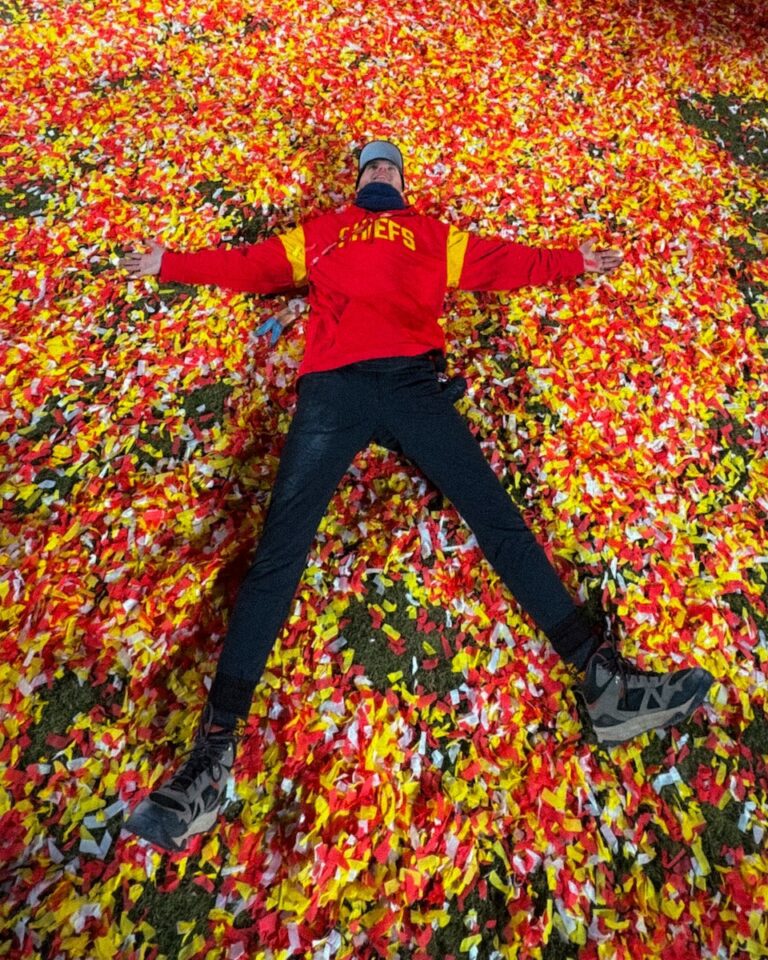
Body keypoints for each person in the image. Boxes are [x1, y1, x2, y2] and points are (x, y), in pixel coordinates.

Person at [121, 140, 714, 851]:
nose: (378, 169)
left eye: (388, 165)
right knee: (278, 553)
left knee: (498, 519)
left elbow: (504, 260)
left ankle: (605, 686)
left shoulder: (432, 234)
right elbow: (251, 267)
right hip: (332, 391)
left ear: (401, 183)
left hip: (412, 386)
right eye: (371, 164)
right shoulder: (322, 232)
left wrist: (570, 262)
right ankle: (212, 758)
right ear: (358, 181)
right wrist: (171, 263)